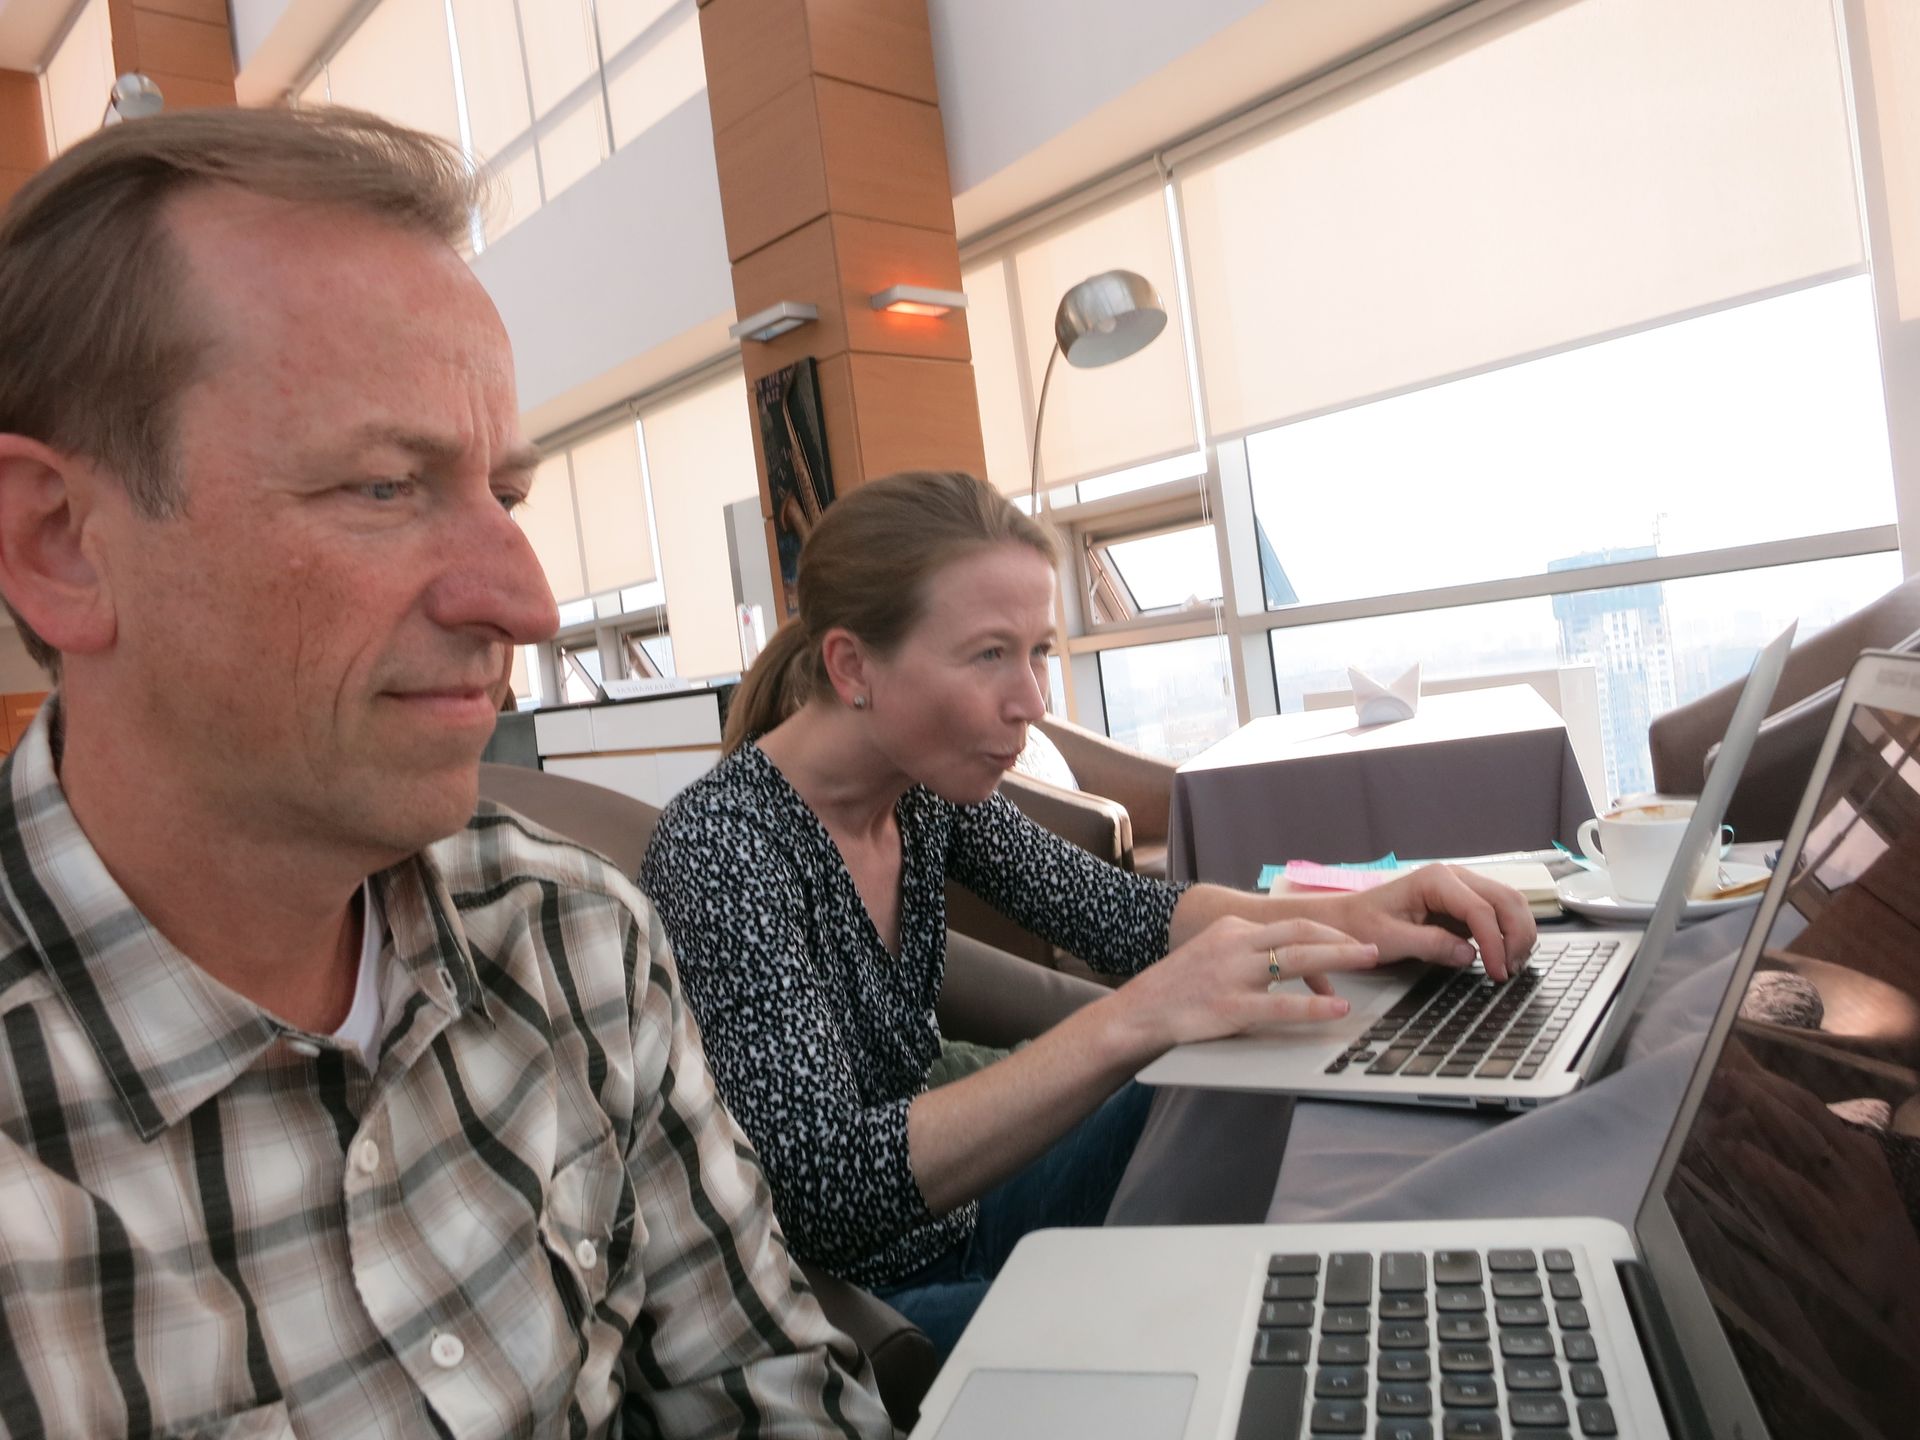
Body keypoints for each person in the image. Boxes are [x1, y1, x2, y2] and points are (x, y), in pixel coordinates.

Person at [0, 108, 891, 1439]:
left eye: (507, 497)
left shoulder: (579, 941)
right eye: (380, 485)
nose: (527, 602)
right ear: (64, 544)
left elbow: (764, 1393)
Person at [641, 470, 1537, 1355]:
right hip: (849, 1310)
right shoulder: (722, 848)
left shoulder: (919, 792)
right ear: (852, 665)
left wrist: (1354, 916)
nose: (1032, 703)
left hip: (956, 1222)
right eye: (991, 654)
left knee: (1251, 1057)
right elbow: (826, 1196)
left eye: (1037, 653)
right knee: (1226, 1310)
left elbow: (1126, 913)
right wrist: (1137, 1017)